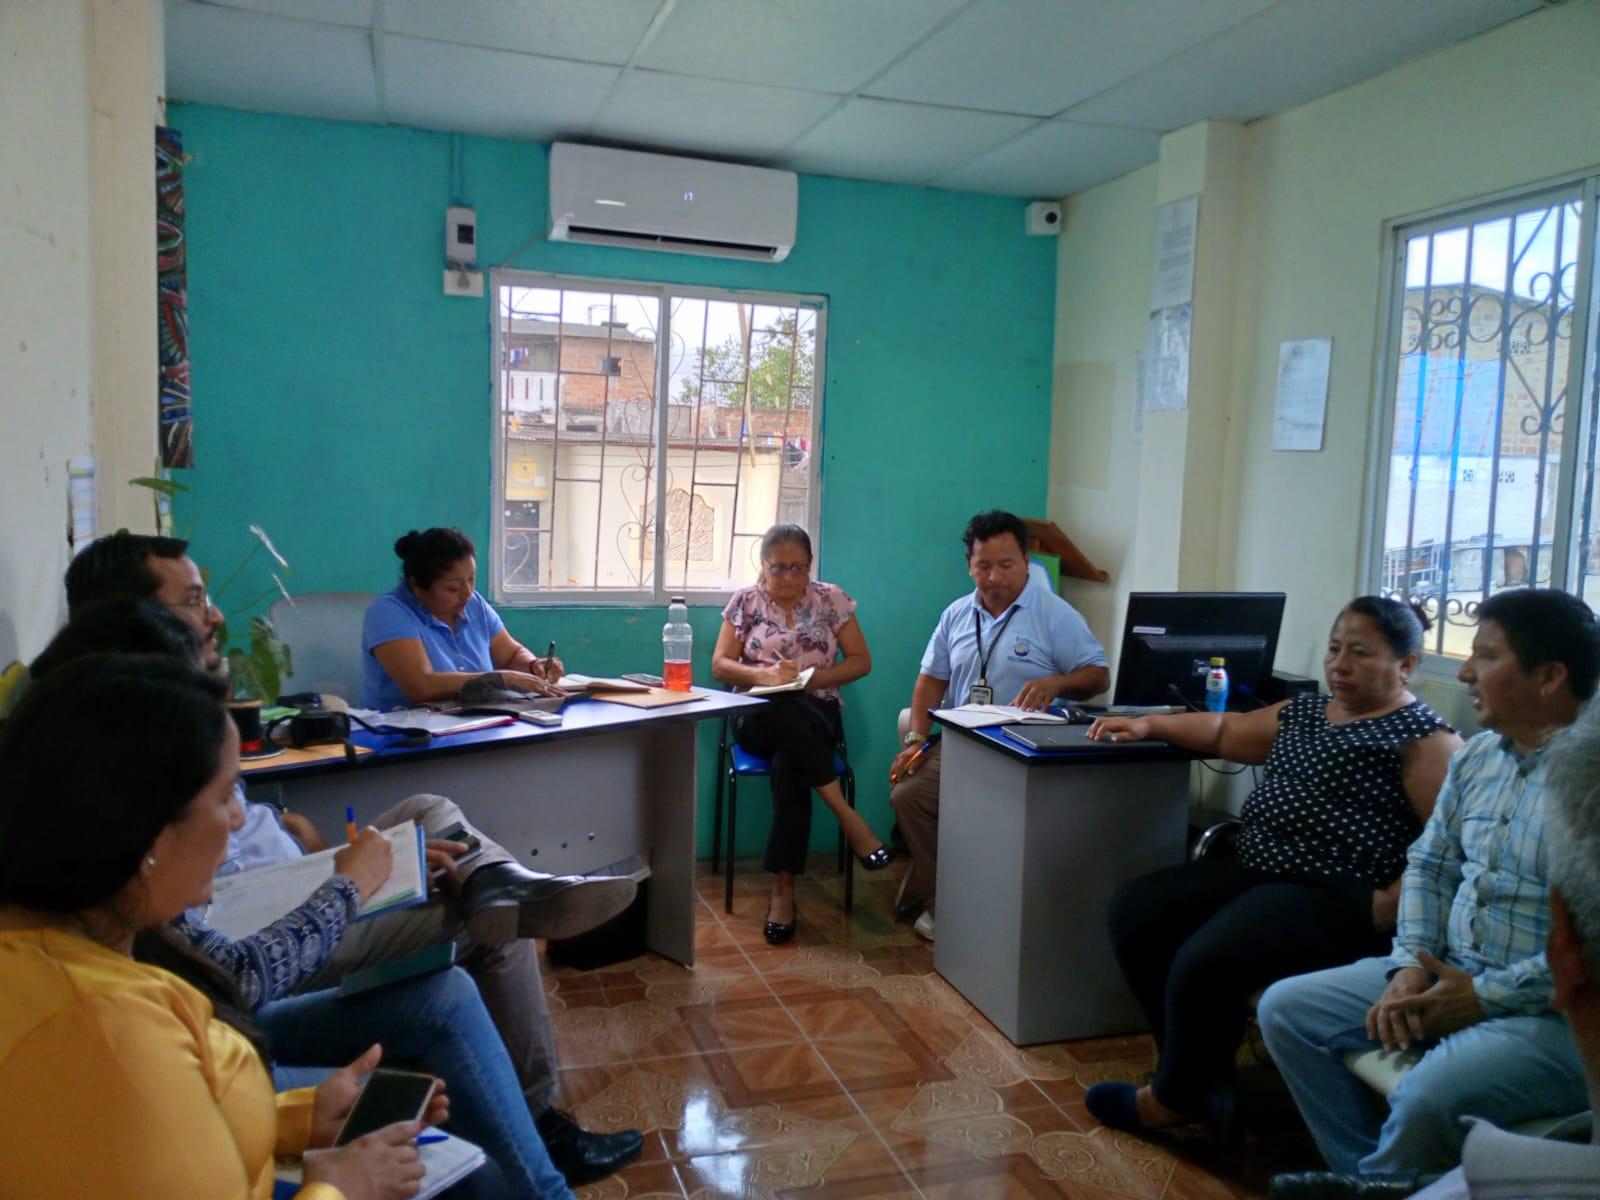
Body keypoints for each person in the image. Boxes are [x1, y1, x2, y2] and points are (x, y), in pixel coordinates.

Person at [62, 531, 643, 1186]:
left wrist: (314, 849)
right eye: (194, 600)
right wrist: (348, 883)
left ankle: (501, 881)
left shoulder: (159, 721)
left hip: (290, 882)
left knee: (430, 812)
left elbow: (234, 865)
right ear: (136, 617)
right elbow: (231, 964)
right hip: (282, 917)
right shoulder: (124, 775)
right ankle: (541, 1117)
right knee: (490, 921)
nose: (216, 614)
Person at [0, 653, 428, 1199]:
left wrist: (296, 1118)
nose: (240, 818)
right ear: (151, 835)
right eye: (225, 795)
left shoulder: (70, 948)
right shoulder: (108, 1035)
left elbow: (159, 1136)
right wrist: (343, 1187)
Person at [1081, 597, 1461, 1140]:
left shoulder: (1423, 739)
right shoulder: (1306, 712)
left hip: (1336, 891)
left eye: (1359, 653)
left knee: (1206, 960)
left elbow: (1448, 849)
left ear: (1406, 665)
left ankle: (1174, 1100)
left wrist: (1391, 903)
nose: (1339, 665)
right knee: (1136, 913)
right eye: (1335, 649)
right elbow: (1222, 731)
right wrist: (1147, 725)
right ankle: (1197, 1074)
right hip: (1259, 865)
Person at [1259, 589, 1599, 1187]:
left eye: (1485, 657)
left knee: (1425, 1096)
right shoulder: (1478, 758)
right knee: (1287, 1010)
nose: (1465, 673)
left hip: (1555, 1013)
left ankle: (1377, 1186)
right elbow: (1430, 864)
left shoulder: (1588, 781)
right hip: (1449, 969)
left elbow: (1590, 954)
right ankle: (1376, 1181)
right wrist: (1411, 967)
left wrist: (1480, 997)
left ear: (1550, 677)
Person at [888, 509, 1111, 940]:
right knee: (908, 797)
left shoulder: (1054, 614)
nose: (994, 577)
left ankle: (1011, 910)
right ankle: (946, 906)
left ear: (1026, 562)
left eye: (1006, 565)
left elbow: (1098, 675)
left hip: (1028, 748)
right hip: (963, 744)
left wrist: (1057, 683)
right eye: (984, 566)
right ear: (969, 565)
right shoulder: (956, 614)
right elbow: (930, 681)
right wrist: (915, 740)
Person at [711, 523, 886, 945]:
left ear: (810, 565)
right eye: (778, 567)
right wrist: (765, 676)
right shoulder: (745, 602)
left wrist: (810, 680)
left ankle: (783, 891)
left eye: (798, 567)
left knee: (792, 760)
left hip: (815, 712)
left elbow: (861, 661)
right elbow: (720, 665)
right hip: (756, 714)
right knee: (782, 711)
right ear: (763, 565)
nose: (788, 577)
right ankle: (849, 819)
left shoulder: (831, 599)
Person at [362, 527, 563, 711]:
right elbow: (422, 687)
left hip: (476, 719)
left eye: (471, 579)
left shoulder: (474, 603)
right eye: (453, 588)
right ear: (417, 586)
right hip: (404, 730)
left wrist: (532, 666)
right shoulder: (389, 612)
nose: (467, 593)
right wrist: (501, 679)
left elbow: (511, 655)